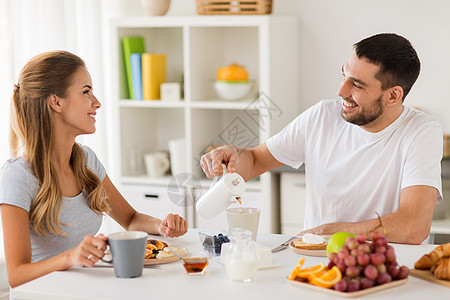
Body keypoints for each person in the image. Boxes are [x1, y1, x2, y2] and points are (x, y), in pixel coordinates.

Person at [201, 33, 443, 245]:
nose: (341, 91)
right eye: (344, 76)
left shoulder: (421, 131)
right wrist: (234, 156)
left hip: (385, 265)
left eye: (356, 84)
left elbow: (413, 227)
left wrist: (336, 231)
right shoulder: (322, 116)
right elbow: (255, 161)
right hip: (320, 259)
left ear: (393, 96)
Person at [0, 51, 188, 288]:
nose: (96, 102)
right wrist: (71, 256)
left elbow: (130, 219)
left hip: (86, 290)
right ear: (56, 101)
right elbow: (16, 275)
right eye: (86, 92)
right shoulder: (19, 175)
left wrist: (161, 225)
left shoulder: (86, 161)